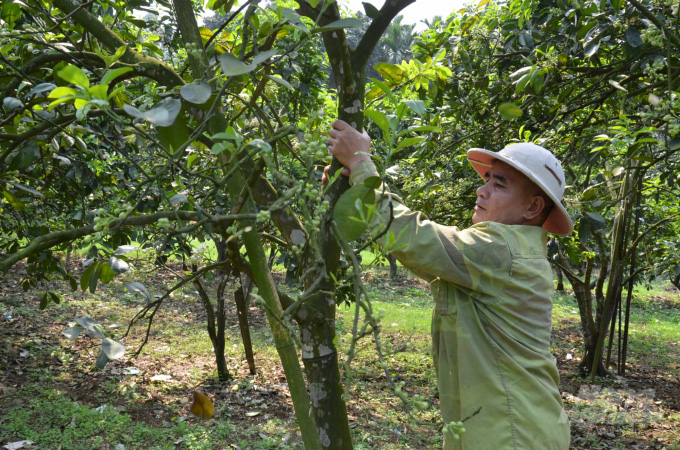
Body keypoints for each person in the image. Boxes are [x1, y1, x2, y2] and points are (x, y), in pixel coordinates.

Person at [325, 119, 572, 449]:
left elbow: (413, 238)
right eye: (486, 180)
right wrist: (358, 190)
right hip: (511, 426)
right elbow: (428, 255)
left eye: (499, 185)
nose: (482, 190)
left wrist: (360, 163)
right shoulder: (511, 252)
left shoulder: (502, 250)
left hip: (513, 433)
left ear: (532, 207)